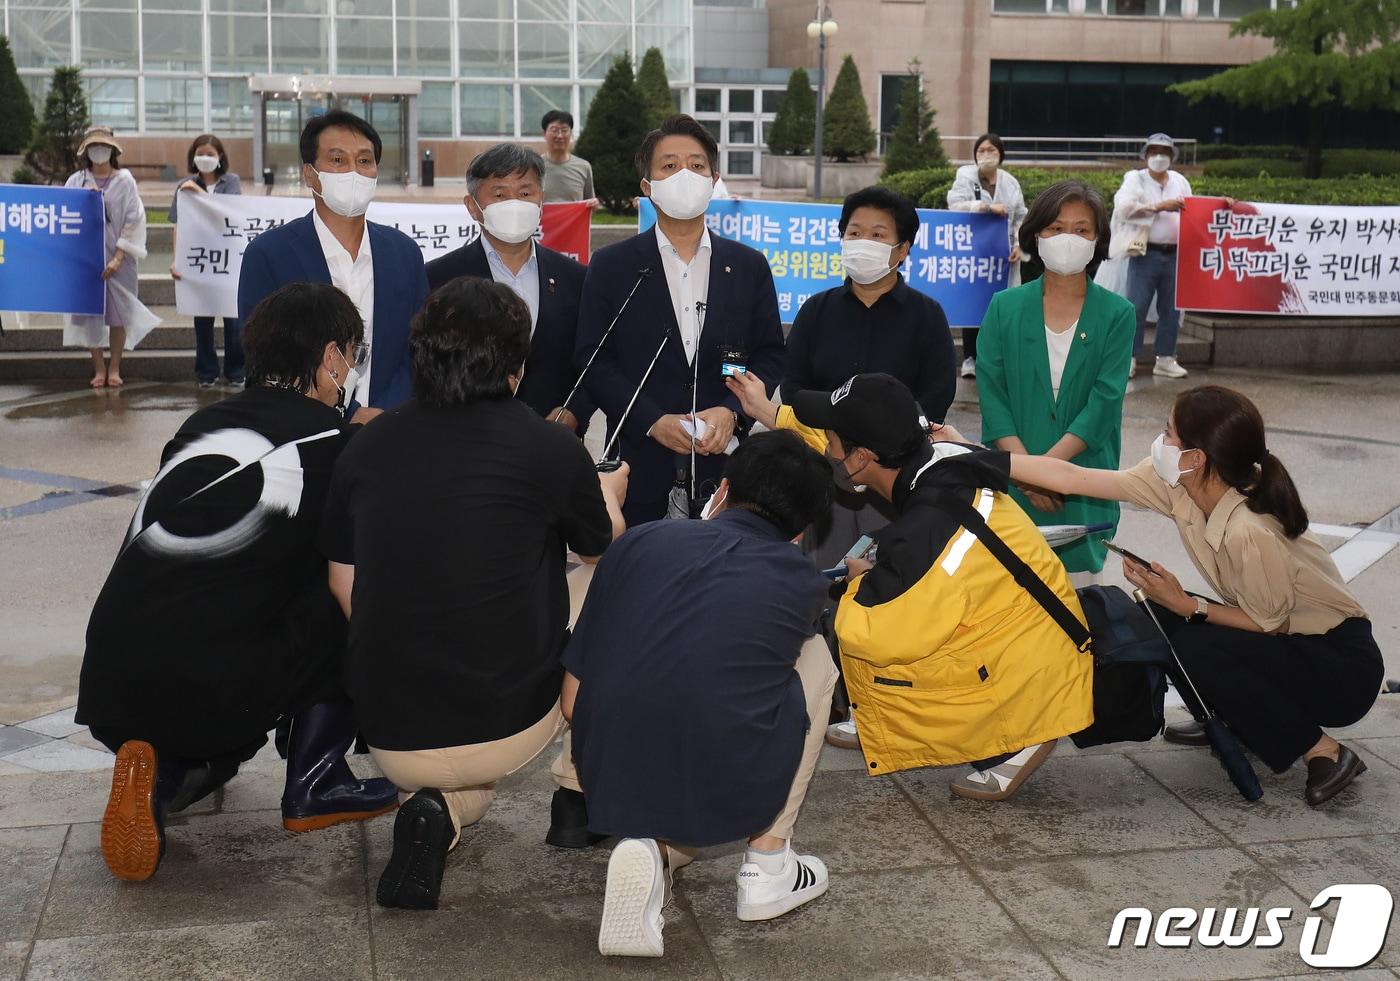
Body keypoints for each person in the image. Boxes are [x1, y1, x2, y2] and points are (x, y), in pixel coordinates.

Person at [319, 277, 627, 911]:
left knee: (451, 776)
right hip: (509, 719)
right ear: (516, 366)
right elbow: (600, 547)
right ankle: (578, 794)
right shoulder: (549, 446)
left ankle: (433, 810)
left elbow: (341, 580)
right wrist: (611, 498)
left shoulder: (368, 443)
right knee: (616, 578)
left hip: (387, 731)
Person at [77, 282, 399, 883]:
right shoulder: (337, 445)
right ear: (331, 358)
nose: (351, 368)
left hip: (109, 681)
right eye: (352, 354)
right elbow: (349, 576)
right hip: (214, 684)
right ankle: (316, 780)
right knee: (346, 592)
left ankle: (155, 781)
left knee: (219, 727)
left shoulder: (202, 425)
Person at [1005, 385, 1384, 806]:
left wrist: (1189, 605)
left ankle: (1323, 749)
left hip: (1339, 665)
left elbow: (1268, 623)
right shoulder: (1181, 484)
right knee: (1160, 617)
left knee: (1188, 637)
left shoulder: (1249, 530)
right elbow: (1074, 477)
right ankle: (1230, 714)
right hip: (1290, 643)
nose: (1160, 442)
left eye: (1168, 434)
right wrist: (972, 455)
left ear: (1196, 457)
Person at [731, 370, 1094, 799]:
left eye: (833, 439)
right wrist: (770, 411)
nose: (827, 448)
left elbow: (870, 632)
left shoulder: (927, 531)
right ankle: (896, 717)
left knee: (863, 630)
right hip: (1033, 634)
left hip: (1036, 673)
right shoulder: (937, 454)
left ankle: (1022, 734)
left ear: (862, 457)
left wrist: (855, 584)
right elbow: (835, 446)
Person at [559, 431, 837, 957]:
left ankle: (647, 849)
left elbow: (574, 699)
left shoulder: (641, 540)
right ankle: (768, 867)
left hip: (607, 766)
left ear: (723, 489)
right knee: (816, 660)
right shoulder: (802, 580)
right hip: (728, 784)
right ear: (800, 532)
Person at [575, 113, 785, 524]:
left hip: (724, 469)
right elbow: (593, 360)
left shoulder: (748, 266)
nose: (684, 174)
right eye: (669, 166)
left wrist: (732, 412)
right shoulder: (612, 266)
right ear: (647, 186)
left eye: (696, 165)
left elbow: (771, 355)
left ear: (713, 179)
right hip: (638, 465)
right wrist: (651, 421)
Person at [781, 185, 957, 565]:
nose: (863, 242)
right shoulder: (816, 311)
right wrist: (833, 440)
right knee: (825, 583)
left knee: (894, 581)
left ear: (903, 249)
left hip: (896, 476)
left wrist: (881, 447)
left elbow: (937, 394)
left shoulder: (927, 316)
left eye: (878, 235)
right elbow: (793, 386)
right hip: (825, 470)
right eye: (854, 233)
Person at [976, 180, 1134, 583]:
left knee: (1080, 610)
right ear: (1036, 234)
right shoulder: (1003, 307)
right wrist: (1029, 475)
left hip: (1082, 483)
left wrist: (1043, 472)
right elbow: (993, 398)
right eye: (1056, 227)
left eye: (1082, 230)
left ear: (1098, 240)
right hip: (1014, 484)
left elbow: (1104, 404)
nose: (1068, 239)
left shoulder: (1118, 314)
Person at [237, 110, 428, 415]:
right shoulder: (269, 254)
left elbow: (419, 350)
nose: (354, 171)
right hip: (303, 432)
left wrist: (385, 414)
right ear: (310, 174)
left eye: (364, 161)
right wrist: (351, 414)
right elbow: (264, 360)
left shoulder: (404, 253)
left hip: (391, 432)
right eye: (338, 160)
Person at [426, 143, 592, 433]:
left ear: (542, 200)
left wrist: (575, 410)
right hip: (466, 441)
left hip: (553, 443)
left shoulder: (576, 278)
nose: (515, 203)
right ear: (472, 206)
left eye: (526, 193)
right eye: (500, 194)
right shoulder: (439, 279)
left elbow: (593, 359)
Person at [64, 125, 159, 389]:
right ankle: (98, 368)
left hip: (120, 260)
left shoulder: (125, 181)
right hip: (85, 262)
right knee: (89, 312)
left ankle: (115, 366)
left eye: (103, 146)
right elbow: (65, 215)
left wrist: (118, 257)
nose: (98, 151)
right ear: (86, 151)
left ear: (113, 150)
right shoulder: (76, 181)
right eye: (93, 147)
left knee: (119, 315)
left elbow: (133, 218)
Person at [947, 133, 1027, 379]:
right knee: (974, 306)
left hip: (1004, 257)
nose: (986, 155)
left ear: (1001, 154)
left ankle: (997, 358)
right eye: (981, 151)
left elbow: (1021, 216)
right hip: (974, 254)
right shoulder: (966, 177)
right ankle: (970, 358)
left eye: (991, 150)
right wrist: (985, 207)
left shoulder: (1010, 182)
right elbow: (955, 205)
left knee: (1003, 306)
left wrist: (1020, 246)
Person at [1113, 133, 1192, 379]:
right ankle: (1129, 358)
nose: (1159, 157)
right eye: (1154, 152)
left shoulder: (1179, 181)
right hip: (1145, 253)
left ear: (1172, 156)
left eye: (1165, 152)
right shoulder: (1135, 179)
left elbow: (1193, 208)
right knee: (1136, 307)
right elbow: (1124, 208)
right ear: (1146, 155)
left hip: (1174, 254)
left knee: (1171, 309)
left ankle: (1166, 358)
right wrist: (1158, 206)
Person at [169, 133, 244, 388]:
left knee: (234, 321)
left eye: (210, 154)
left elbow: (230, 213)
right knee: (202, 321)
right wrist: (176, 259)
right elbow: (178, 224)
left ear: (220, 157)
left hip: (227, 260)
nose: (205, 158)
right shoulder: (183, 185)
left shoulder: (231, 181)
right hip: (199, 260)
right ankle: (206, 373)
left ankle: (236, 372)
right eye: (200, 153)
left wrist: (198, 193)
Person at [540, 109, 597, 207]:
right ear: (544, 133)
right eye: (554, 130)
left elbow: (590, 202)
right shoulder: (535, 166)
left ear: (570, 133)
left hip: (574, 222)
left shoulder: (583, 166)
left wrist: (594, 204)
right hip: (544, 222)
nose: (560, 135)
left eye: (564, 130)